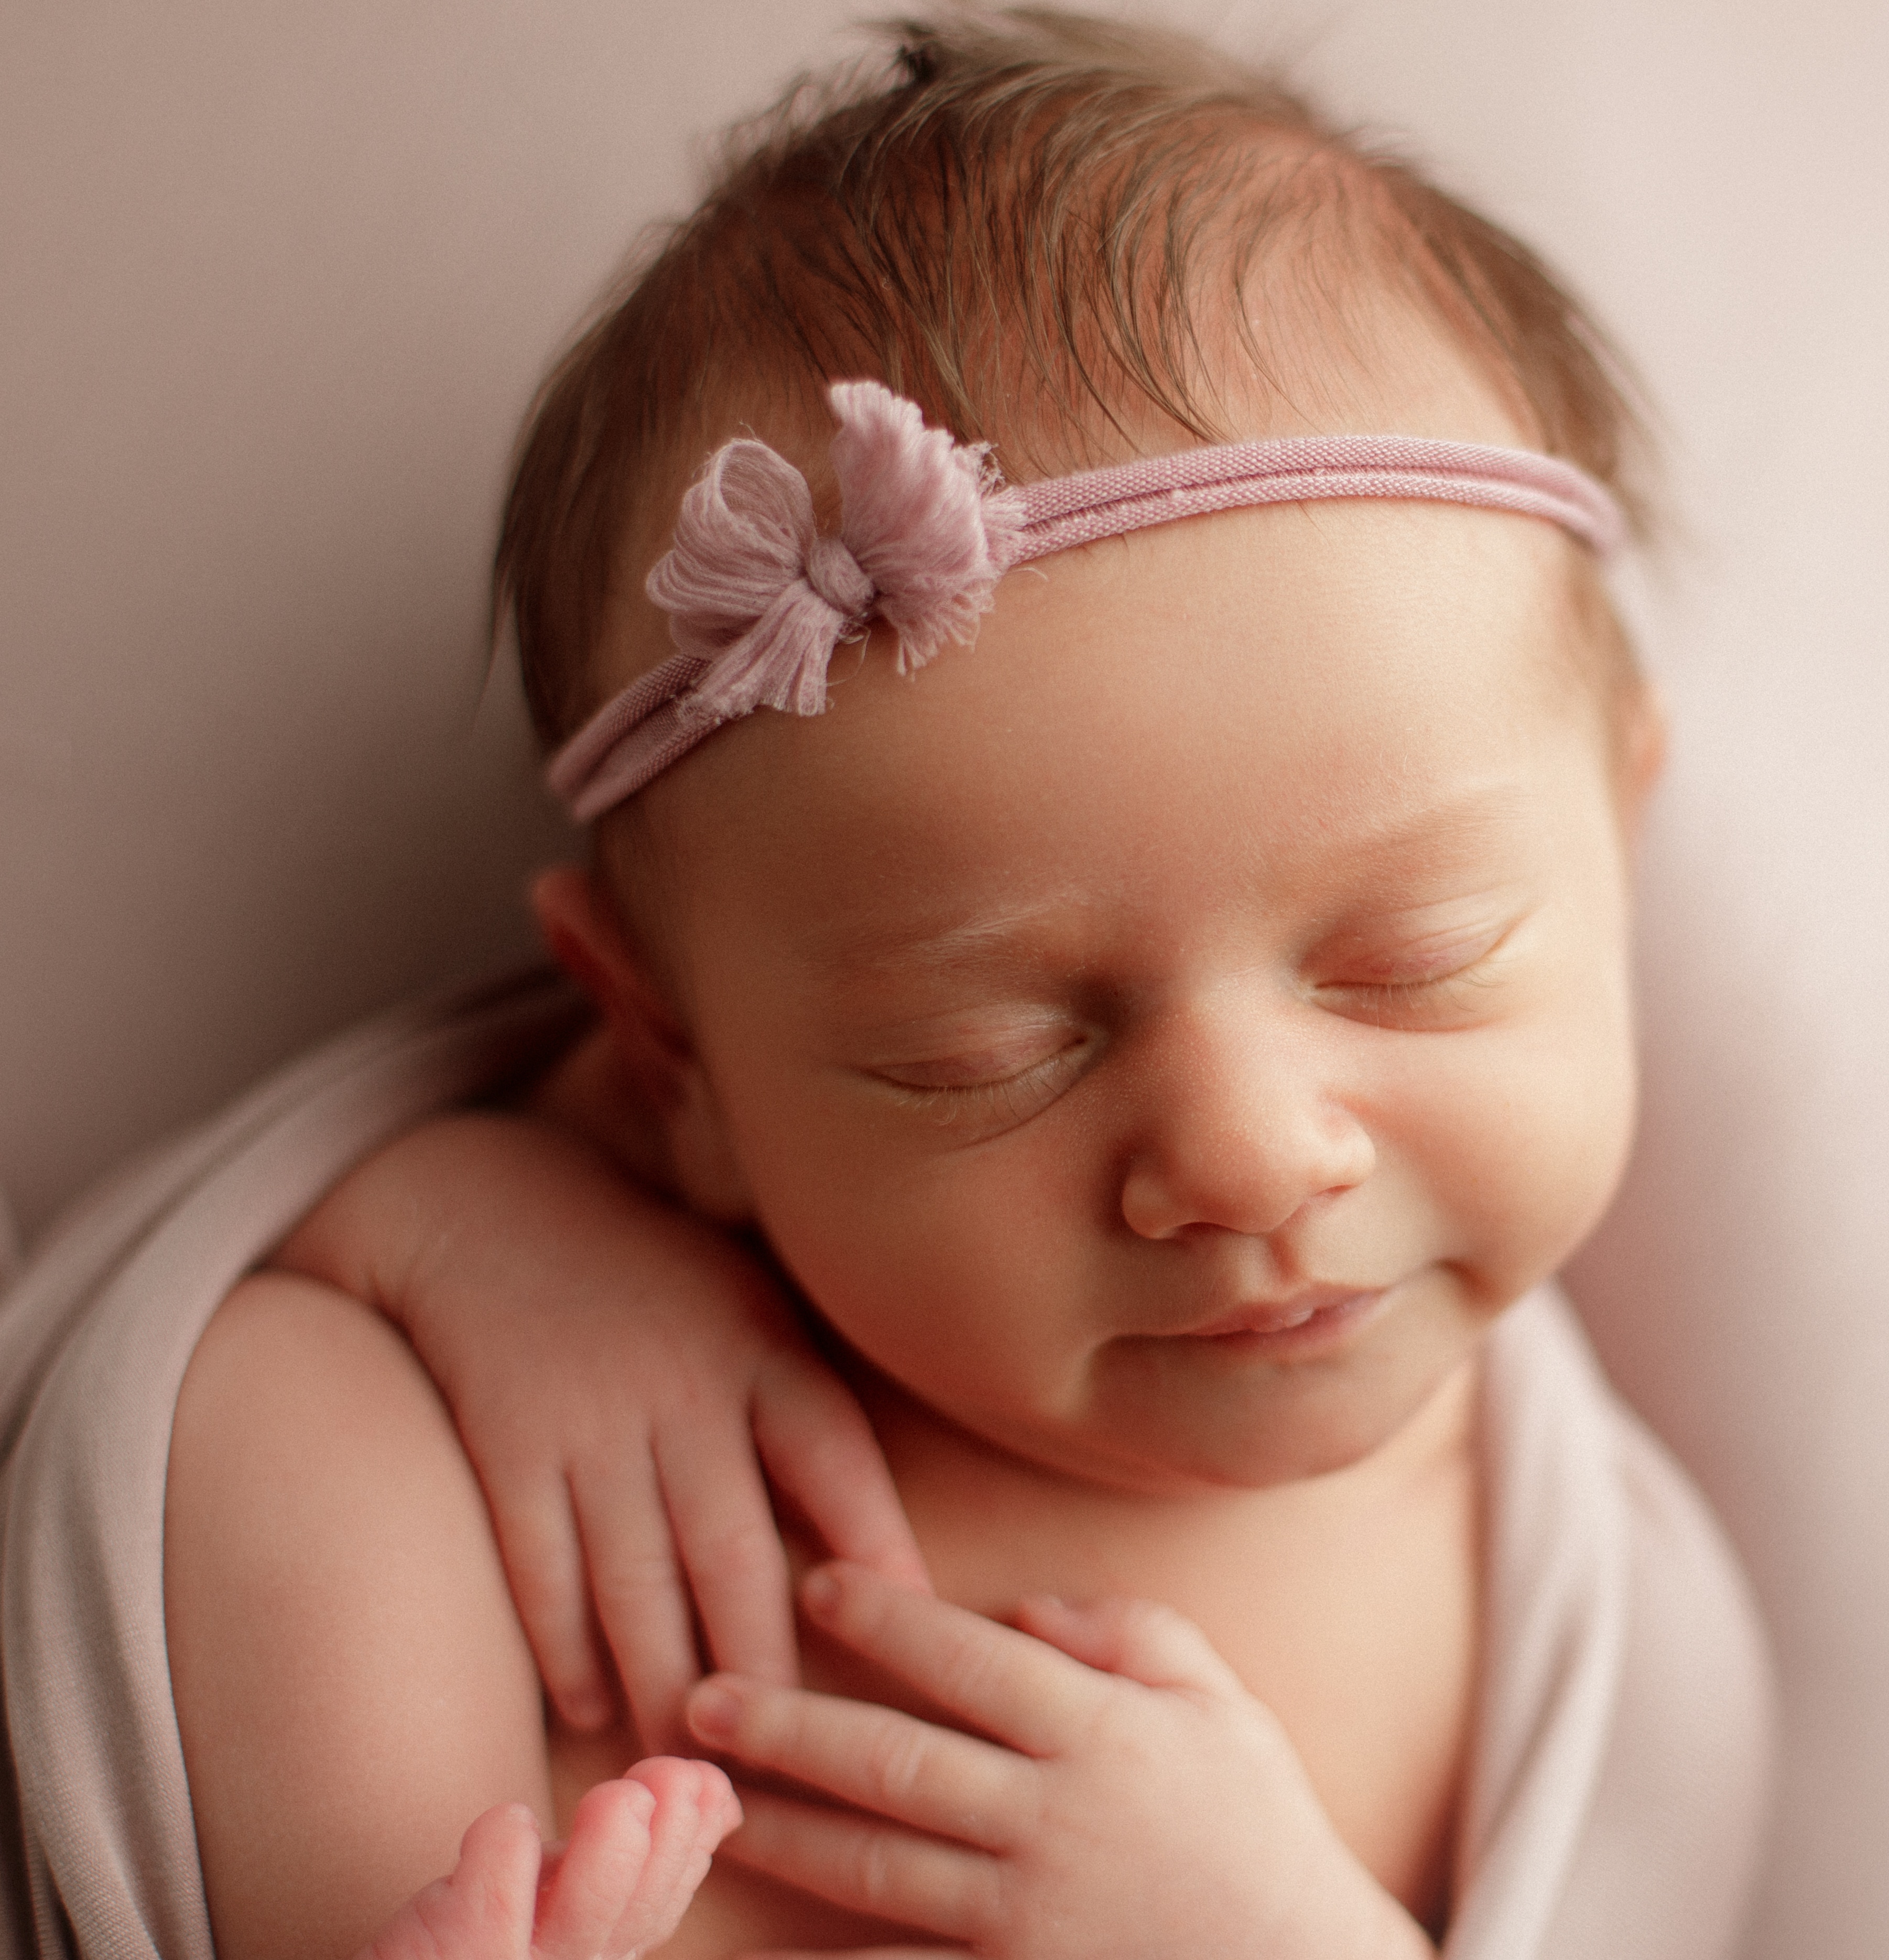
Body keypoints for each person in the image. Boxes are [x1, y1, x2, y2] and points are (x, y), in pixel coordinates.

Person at [141, 13, 1769, 1960]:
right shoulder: (496, 1311)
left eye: (1414, 963)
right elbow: (128, 1376)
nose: (1245, 1155)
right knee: (275, 1399)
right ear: (674, 1054)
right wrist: (450, 1231)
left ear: (1618, 835)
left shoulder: (1592, 1640)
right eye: (987, 1052)